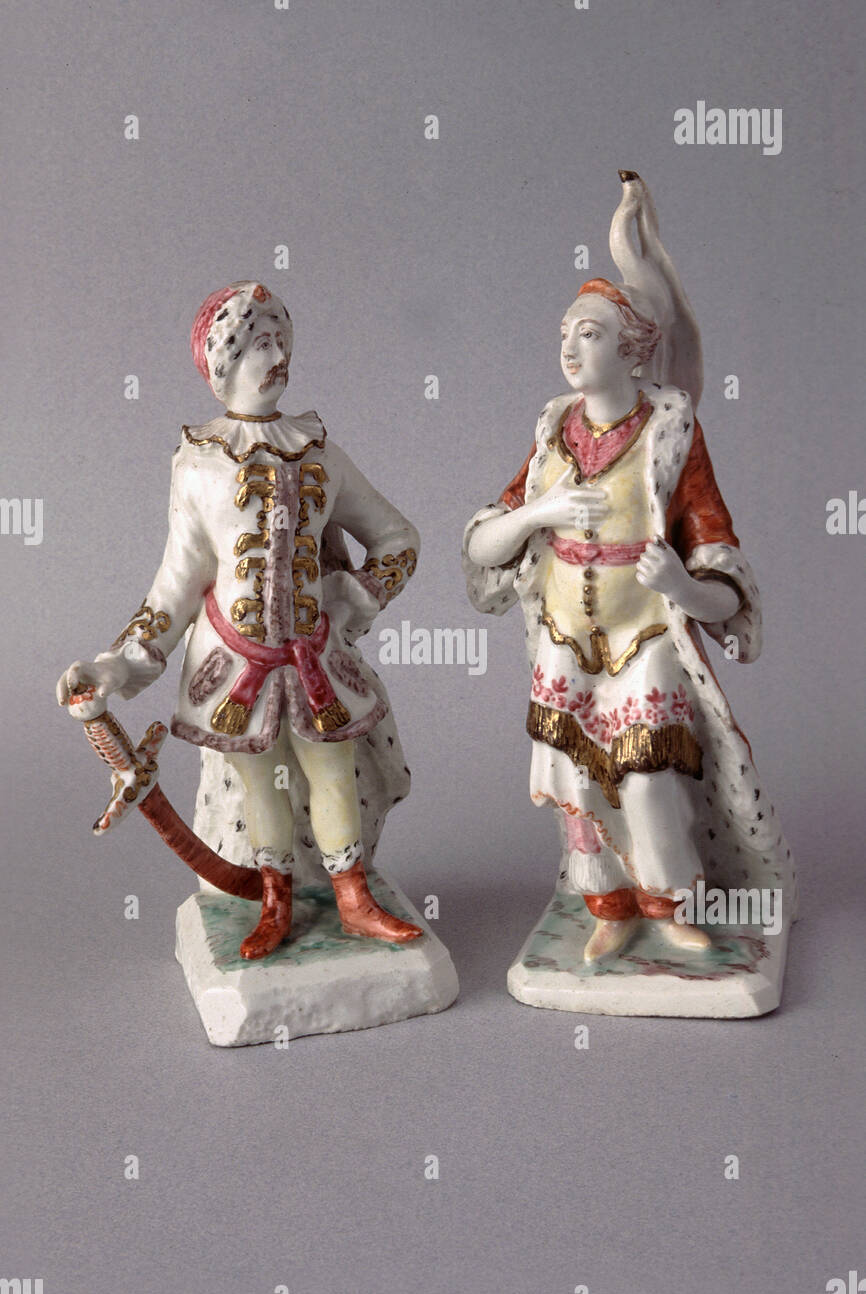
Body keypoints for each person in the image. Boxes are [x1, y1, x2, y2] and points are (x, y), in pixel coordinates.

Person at [463, 220, 796, 964]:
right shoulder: (554, 431)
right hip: (564, 641)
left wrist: (681, 582)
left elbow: (723, 576)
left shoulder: (669, 436)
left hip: (644, 640)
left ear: (633, 351)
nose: (570, 348)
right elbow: (485, 543)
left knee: (647, 780)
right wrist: (540, 514)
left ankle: (668, 903)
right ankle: (606, 906)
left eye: (590, 335)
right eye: (565, 334)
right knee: (579, 783)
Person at [58, 281, 423, 958]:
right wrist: (117, 665)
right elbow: (176, 582)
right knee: (263, 784)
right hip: (233, 668)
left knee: (333, 772)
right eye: (260, 344)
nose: (278, 356)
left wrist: (354, 597)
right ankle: (276, 901)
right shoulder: (197, 464)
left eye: (282, 341)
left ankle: (354, 899)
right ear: (221, 363)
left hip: (315, 660)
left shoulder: (320, 453)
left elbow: (397, 538)